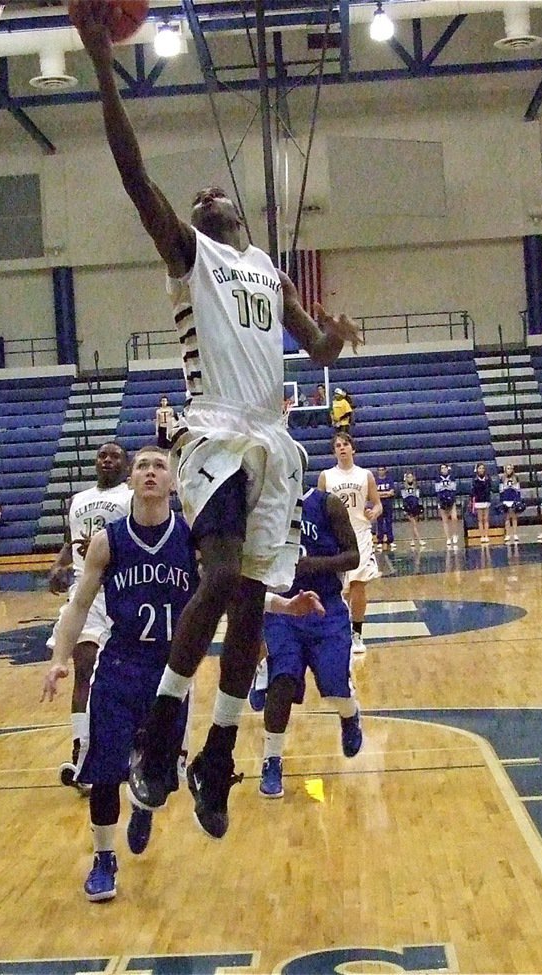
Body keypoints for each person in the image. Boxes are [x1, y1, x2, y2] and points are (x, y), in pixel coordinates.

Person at [73, 4, 361, 840]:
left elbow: (312, 340)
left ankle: (217, 749)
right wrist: (100, 61)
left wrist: (333, 338)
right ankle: (163, 736)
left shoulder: (267, 268)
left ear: (237, 211)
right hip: (214, 427)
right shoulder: (191, 256)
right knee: (222, 571)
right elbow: (135, 179)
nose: (207, 194)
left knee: (250, 599)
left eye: (215, 194)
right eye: (198, 198)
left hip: (274, 438)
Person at [41, 447, 319, 900]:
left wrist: (282, 604)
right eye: (143, 467)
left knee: (163, 775)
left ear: (176, 484)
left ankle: (145, 799)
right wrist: (59, 659)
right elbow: (79, 603)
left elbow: (229, 588)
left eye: (159, 467)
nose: (150, 472)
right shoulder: (108, 540)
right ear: (131, 481)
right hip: (120, 666)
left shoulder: (192, 538)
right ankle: (104, 859)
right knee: (104, 771)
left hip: (173, 671)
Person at [258, 488, 363, 799]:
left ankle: (349, 714)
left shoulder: (325, 503)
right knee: (283, 680)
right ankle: (272, 760)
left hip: (326, 607)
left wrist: (310, 565)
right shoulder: (262, 506)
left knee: (333, 684)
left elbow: (353, 556)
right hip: (282, 607)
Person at [46, 442, 132, 790]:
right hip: (84, 592)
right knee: (83, 669)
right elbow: (72, 541)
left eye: (114, 456)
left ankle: (126, 747)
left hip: (121, 589)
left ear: (126, 465)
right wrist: (59, 563)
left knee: (118, 679)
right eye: (102, 455)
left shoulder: (130, 497)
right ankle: (81, 750)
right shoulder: (78, 500)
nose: (107, 460)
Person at [318, 433, 381, 656]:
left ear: (353, 449)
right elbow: (319, 507)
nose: (342, 448)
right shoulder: (326, 476)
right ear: (334, 451)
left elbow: (378, 504)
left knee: (358, 583)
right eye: (337, 445)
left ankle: (357, 633)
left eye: (345, 444)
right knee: (338, 589)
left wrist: (374, 511)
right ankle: (335, 628)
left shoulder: (365, 475)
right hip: (336, 536)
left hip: (361, 532)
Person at [434, 464, 459, 547]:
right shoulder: (437, 479)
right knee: (445, 520)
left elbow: (454, 488)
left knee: (454, 518)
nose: (444, 469)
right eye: (442, 468)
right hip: (442, 500)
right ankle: (448, 538)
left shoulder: (452, 477)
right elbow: (437, 490)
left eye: (445, 468)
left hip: (451, 499)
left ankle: (455, 534)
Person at [399, 471, 425, 547]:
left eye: (411, 477)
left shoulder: (416, 486)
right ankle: (420, 540)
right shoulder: (403, 487)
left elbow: (417, 497)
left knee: (415, 525)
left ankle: (413, 540)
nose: (409, 478)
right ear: (406, 478)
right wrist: (405, 508)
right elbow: (404, 498)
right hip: (408, 507)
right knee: (413, 524)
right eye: (408, 477)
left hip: (415, 506)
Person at [499, 465, 523, 543]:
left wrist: (518, 500)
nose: (509, 470)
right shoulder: (502, 478)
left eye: (511, 469)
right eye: (508, 468)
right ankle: (508, 534)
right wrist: (502, 501)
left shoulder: (516, 478)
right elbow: (501, 491)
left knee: (514, 517)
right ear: (505, 470)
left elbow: (518, 490)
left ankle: (515, 534)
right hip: (506, 500)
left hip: (514, 500)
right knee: (507, 518)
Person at [373, 466, 395, 551]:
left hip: (388, 503)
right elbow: (375, 493)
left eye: (382, 470)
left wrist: (381, 494)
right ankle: (380, 540)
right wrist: (386, 493)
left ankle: (390, 540)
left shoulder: (389, 480)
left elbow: (392, 492)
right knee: (380, 522)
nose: (381, 471)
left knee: (389, 521)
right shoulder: (375, 481)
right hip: (379, 504)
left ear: (385, 471)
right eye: (379, 470)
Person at [470, 463, 493, 543]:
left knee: (486, 519)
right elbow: (473, 491)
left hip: (486, 499)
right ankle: (482, 535)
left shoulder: (488, 478)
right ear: (477, 470)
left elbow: (490, 488)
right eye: (480, 468)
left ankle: (486, 535)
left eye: (483, 468)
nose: (481, 470)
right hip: (478, 500)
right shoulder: (475, 479)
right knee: (480, 519)